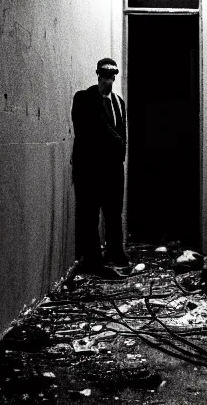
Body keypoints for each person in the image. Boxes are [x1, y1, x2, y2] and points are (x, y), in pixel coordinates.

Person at [71, 58, 129, 272]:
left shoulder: (118, 102)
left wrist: (119, 153)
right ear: (97, 74)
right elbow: (87, 130)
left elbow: (121, 132)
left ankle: (115, 251)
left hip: (113, 167)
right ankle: (93, 258)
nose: (109, 79)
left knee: (114, 212)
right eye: (105, 74)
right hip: (91, 167)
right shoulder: (85, 98)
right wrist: (114, 141)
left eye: (112, 74)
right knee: (90, 213)